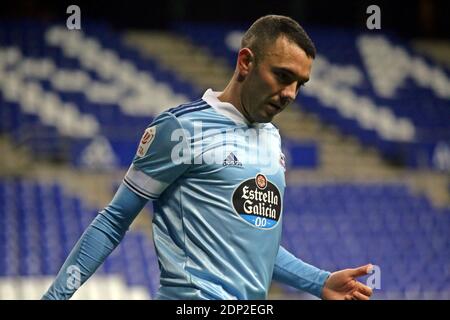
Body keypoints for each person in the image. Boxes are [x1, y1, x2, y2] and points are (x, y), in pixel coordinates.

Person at [43, 15, 373, 300]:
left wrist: (320, 282)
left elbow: (254, 249)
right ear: (246, 62)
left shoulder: (271, 139)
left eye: (300, 84)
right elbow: (113, 221)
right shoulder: (180, 128)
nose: (290, 94)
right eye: (283, 76)